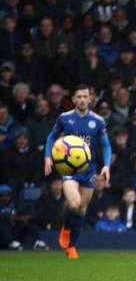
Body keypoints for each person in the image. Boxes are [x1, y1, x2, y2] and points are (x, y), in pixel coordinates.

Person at [43, 85, 112, 259]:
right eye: (78, 96)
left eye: (85, 96)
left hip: (89, 171)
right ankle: (65, 227)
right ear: (73, 99)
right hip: (69, 170)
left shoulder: (98, 121)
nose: (82, 99)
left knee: (82, 209)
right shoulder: (65, 118)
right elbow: (52, 137)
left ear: (90, 99)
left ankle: (72, 247)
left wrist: (106, 165)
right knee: (73, 204)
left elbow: (105, 145)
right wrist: (47, 157)